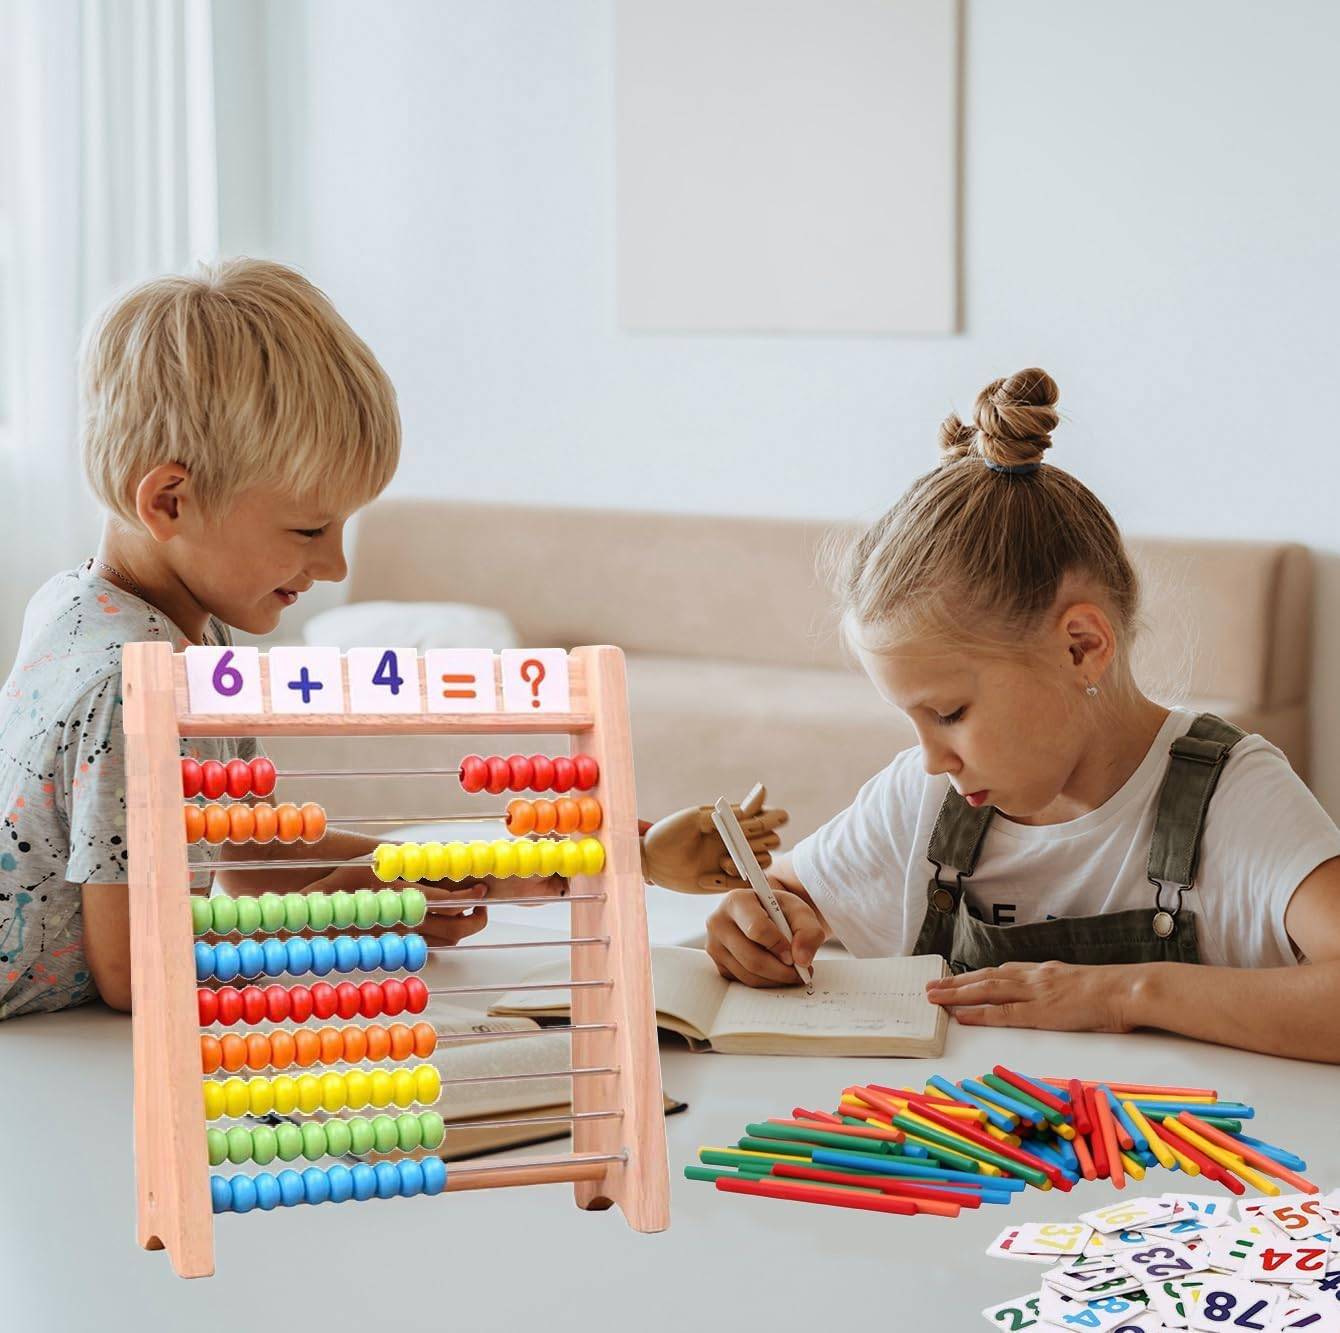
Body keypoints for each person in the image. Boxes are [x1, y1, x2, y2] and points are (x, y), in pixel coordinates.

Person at [0, 258, 786, 1021]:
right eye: (309, 527)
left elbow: (251, 859)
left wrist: (469, 869)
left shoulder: (156, 627)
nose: (336, 563)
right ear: (171, 500)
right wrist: (358, 914)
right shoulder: (125, 684)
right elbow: (135, 972)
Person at [705, 368, 1340, 1063]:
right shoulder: (923, 800)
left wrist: (1121, 994)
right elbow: (792, 891)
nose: (930, 757)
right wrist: (766, 920)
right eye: (910, 718)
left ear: (1081, 647)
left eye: (949, 711)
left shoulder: (1233, 798)